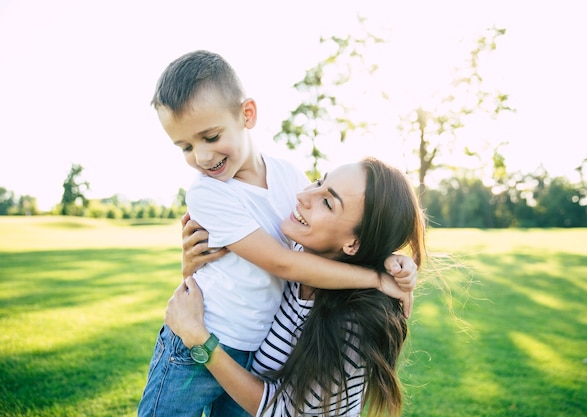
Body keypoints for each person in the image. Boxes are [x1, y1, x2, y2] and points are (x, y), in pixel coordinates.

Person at [137, 51, 416, 417]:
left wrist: (390, 264)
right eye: (186, 147)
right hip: (200, 337)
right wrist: (378, 276)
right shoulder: (207, 192)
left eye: (210, 136)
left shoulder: (286, 174)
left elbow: (308, 251)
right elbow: (285, 261)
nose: (202, 157)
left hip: (253, 352)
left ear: (247, 114)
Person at [165, 157, 428, 417]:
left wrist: (201, 343)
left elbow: (283, 410)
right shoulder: (292, 257)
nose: (303, 195)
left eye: (327, 202)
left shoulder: (357, 322)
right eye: (318, 182)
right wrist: (193, 265)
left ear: (353, 244)